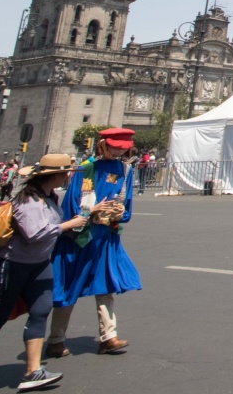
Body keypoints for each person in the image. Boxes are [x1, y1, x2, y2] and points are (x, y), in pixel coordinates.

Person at [0, 154, 111, 391]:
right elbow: (34, 234)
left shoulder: (50, 197)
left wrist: (76, 225)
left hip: (39, 264)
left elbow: (52, 231)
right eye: (65, 172)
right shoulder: (29, 201)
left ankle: (33, 371)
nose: (68, 176)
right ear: (54, 175)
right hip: (14, 264)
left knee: (41, 311)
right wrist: (67, 226)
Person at [48, 127, 142, 357]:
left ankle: (108, 336)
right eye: (115, 148)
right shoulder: (87, 167)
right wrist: (92, 209)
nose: (119, 153)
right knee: (69, 286)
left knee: (106, 286)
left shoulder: (125, 169)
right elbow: (71, 205)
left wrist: (120, 213)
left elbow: (126, 201)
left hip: (106, 237)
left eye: (123, 149)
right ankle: (56, 339)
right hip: (81, 237)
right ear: (104, 144)